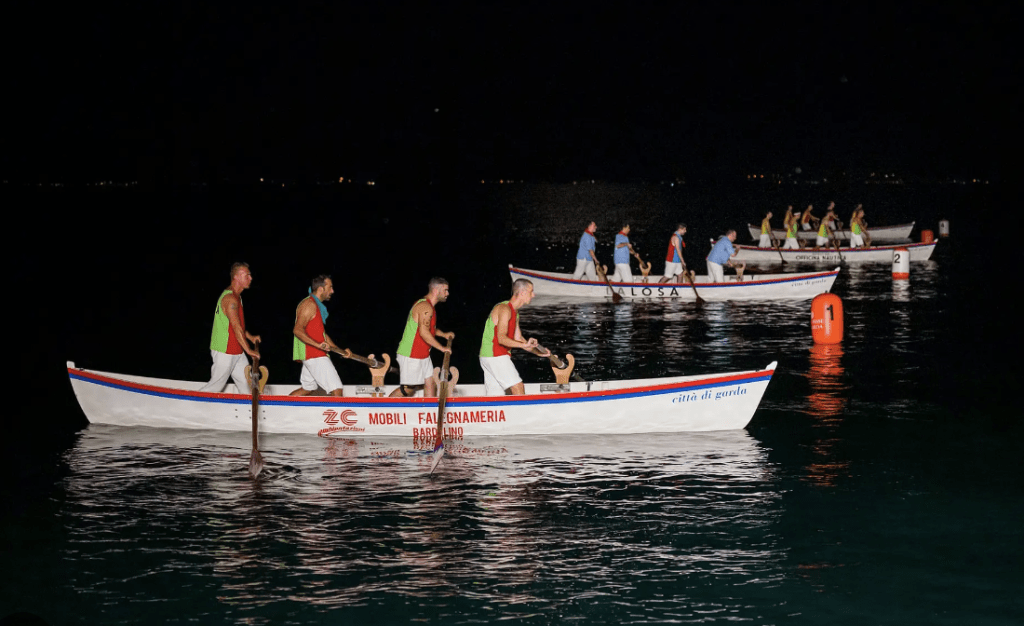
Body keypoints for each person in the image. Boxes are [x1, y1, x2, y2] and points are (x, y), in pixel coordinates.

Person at [479, 279, 550, 395]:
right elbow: (501, 338)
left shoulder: (515, 312)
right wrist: (524, 344)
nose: (534, 295)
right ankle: (522, 413)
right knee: (518, 387)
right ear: (522, 293)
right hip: (495, 355)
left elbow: (518, 339)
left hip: (489, 356)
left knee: (496, 396)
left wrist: (538, 352)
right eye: (531, 291)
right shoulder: (504, 309)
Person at [199, 262, 261, 393]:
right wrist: (249, 350)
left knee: (247, 384)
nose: (251, 278)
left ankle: (247, 410)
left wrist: (250, 337)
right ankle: (191, 405)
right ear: (236, 277)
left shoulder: (237, 297)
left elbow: (238, 326)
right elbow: (237, 328)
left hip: (237, 350)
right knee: (216, 386)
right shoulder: (230, 299)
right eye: (247, 275)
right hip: (224, 350)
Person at [389, 277, 454, 397]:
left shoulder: (429, 307)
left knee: (431, 384)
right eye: (445, 290)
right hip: (411, 354)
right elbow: (424, 333)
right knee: (408, 389)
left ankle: (429, 413)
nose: (447, 294)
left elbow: (430, 329)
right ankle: (383, 409)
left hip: (423, 354)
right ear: (436, 290)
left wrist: (444, 334)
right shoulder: (425, 307)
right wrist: (442, 348)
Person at [290, 275, 345, 397]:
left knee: (307, 388)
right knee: (337, 390)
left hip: (313, 354)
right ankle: (333, 415)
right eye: (330, 287)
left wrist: (339, 350)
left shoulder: (316, 306)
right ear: (321, 289)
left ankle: (280, 409)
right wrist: (318, 345)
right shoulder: (309, 304)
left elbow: (322, 334)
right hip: (314, 354)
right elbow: (297, 330)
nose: (332, 291)